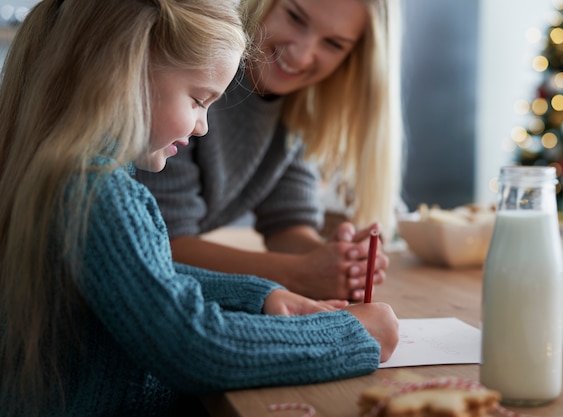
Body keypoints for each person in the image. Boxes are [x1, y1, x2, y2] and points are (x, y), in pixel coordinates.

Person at [0, 1, 400, 416]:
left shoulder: (62, 175)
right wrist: (351, 335)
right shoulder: (100, 194)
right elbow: (193, 346)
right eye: (197, 100)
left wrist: (258, 296)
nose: (203, 126)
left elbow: (144, 273)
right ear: (125, 72)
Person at [136, 0, 405, 302]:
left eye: (333, 44)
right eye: (294, 17)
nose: (302, 55)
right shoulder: (194, 78)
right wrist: (300, 272)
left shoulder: (297, 104)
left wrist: (337, 261)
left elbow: (288, 223)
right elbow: (159, 242)